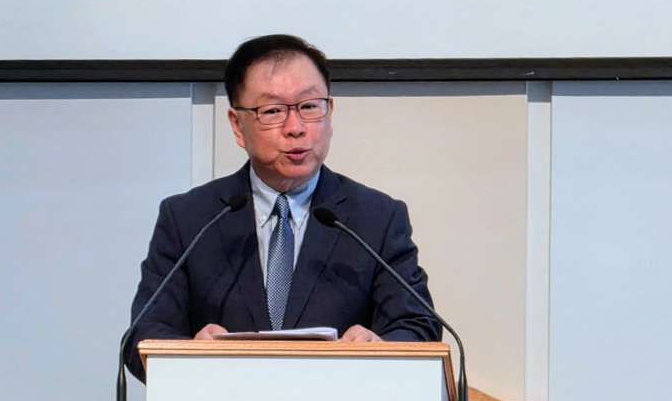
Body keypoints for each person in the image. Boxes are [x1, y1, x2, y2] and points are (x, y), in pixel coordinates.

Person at [124, 34, 440, 382]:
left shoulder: (376, 217)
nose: (296, 128)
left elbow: (419, 327)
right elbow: (143, 336)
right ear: (237, 125)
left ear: (330, 113)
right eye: (272, 111)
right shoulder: (189, 218)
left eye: (310, 106)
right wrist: (191, 354)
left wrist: (378, 347)